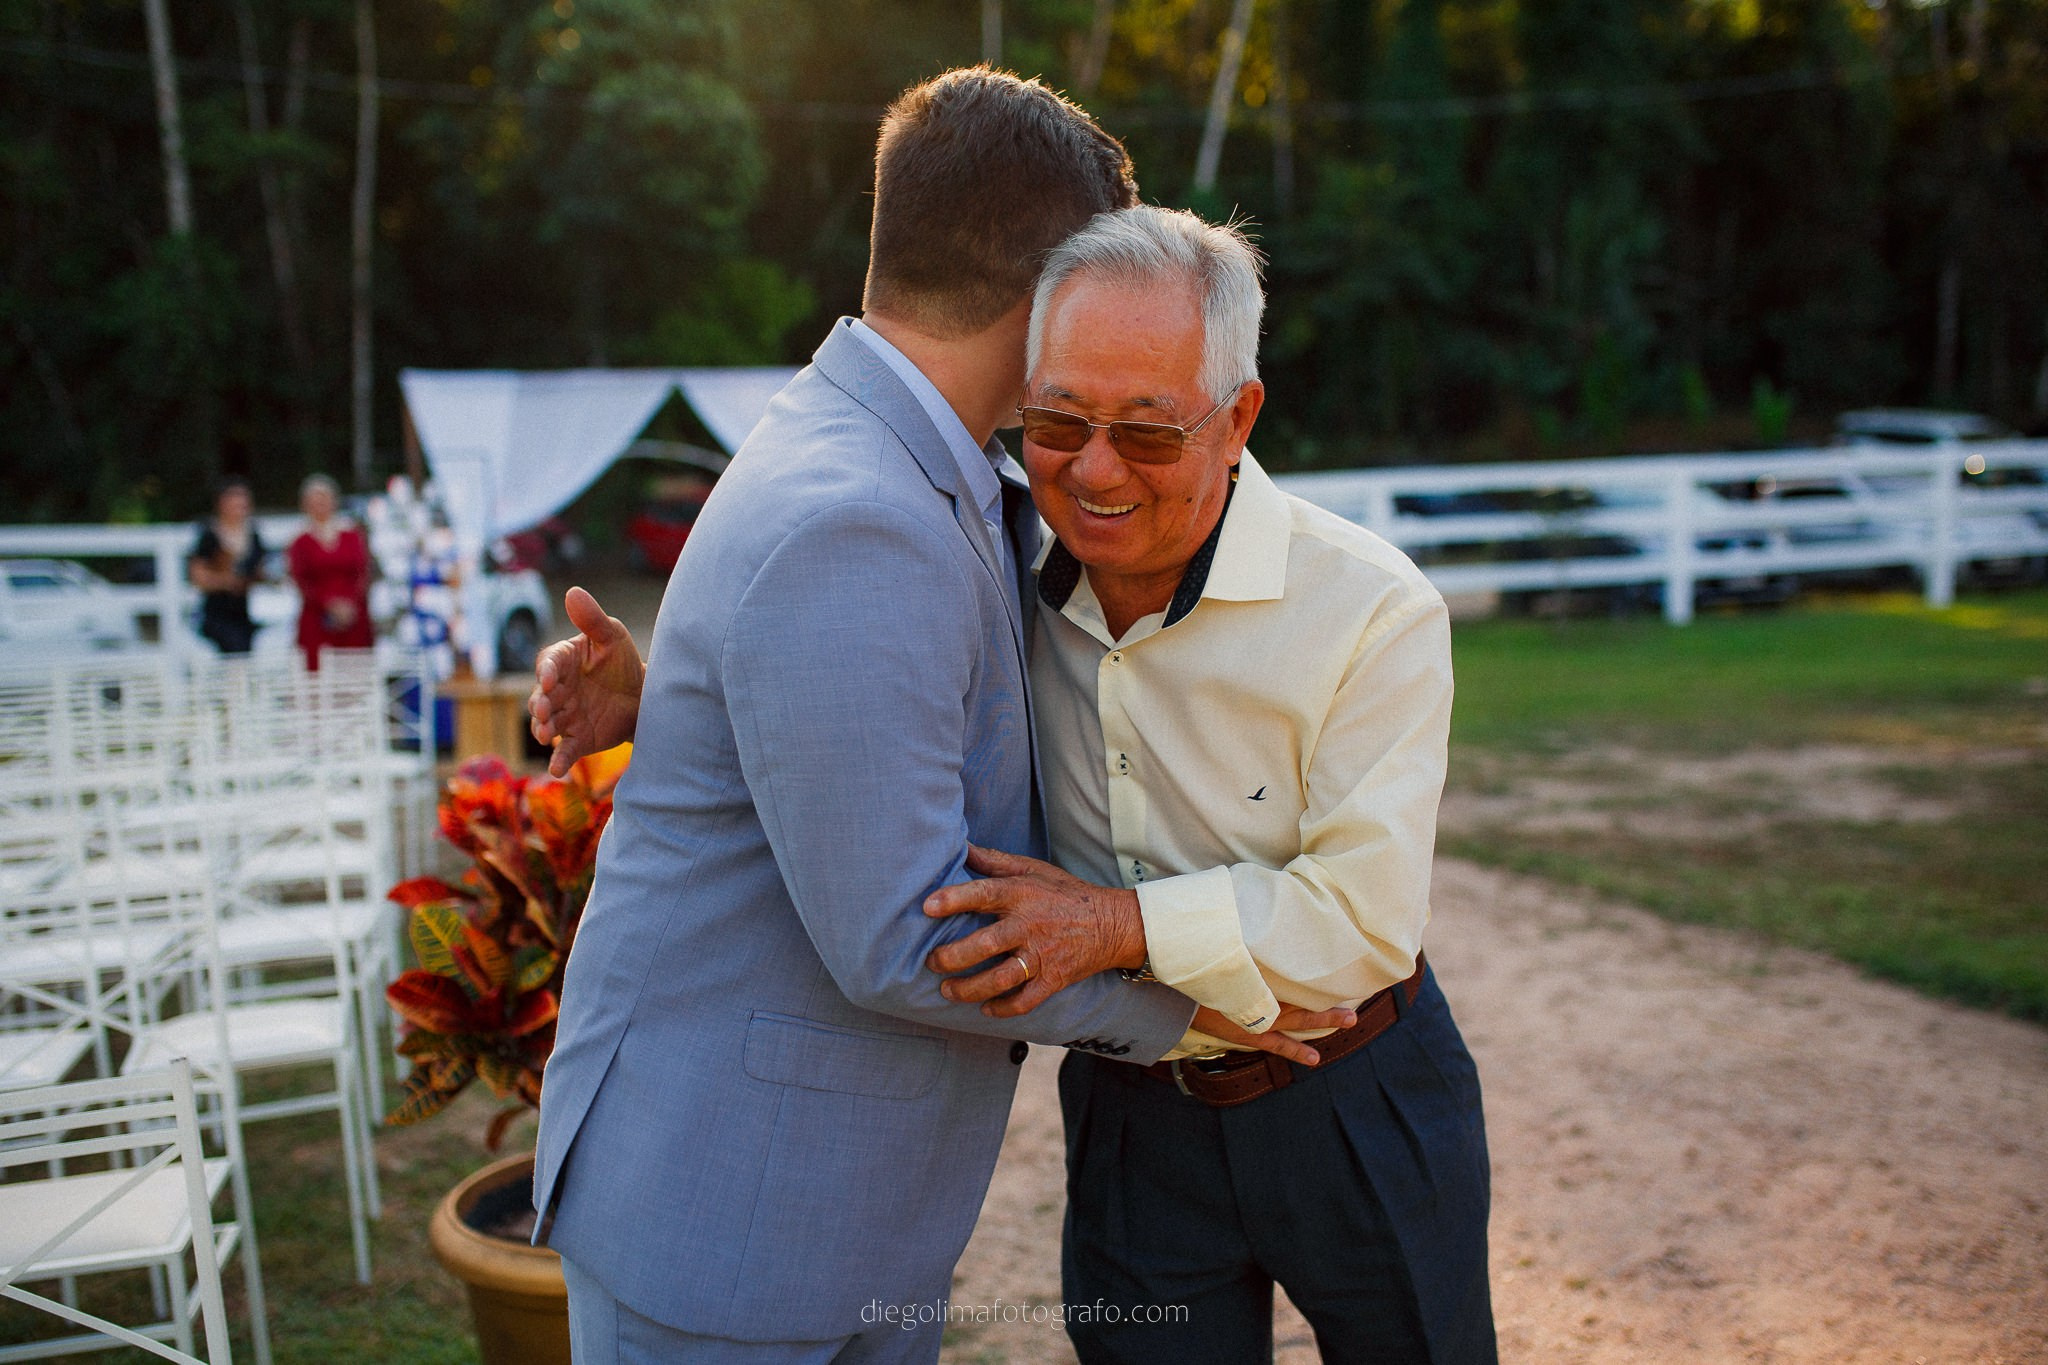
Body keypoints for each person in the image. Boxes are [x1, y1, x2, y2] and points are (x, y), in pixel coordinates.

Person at [534, 207, 1497, 1364]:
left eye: (1146, 433)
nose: (1093, 471)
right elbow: (855, 702)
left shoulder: (1372, 609)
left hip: (1351, 1090)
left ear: (1236, 416)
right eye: (1055, 421)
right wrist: (666, 699)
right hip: (1132, 1113)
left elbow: (1362, 921)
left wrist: (1114, 926)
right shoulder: (987, 553)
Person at [286, 473, 373, 670]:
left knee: (355, 669)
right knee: (318, 672)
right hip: (317, 616)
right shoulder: (300, 541)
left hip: (354, 614)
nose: (320, 505)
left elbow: (363, 572)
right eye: (314, 501)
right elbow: (300, 580)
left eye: (324, 499)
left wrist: (349, 604)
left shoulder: (352, 535)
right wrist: (329, 605)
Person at [188, 479, 267, 654]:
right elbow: (197, 576)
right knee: (233, 646)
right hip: (216, 612)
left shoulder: (252, 535)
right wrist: (225, 581)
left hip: (245, 611)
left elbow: (260, 568)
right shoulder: (210, 535)